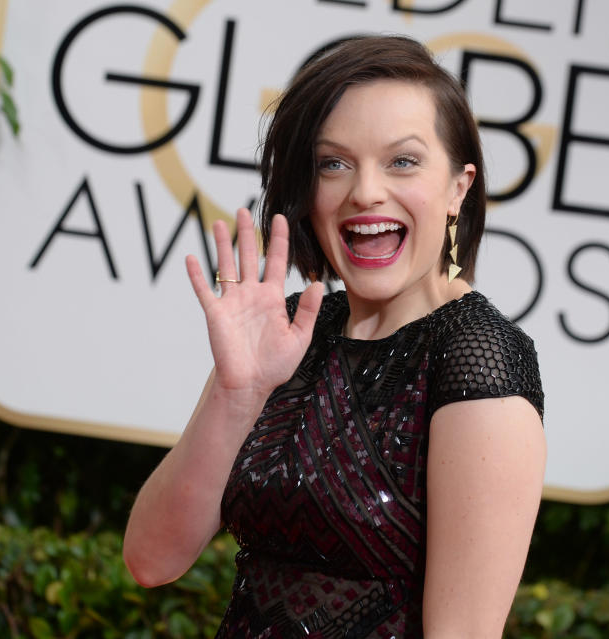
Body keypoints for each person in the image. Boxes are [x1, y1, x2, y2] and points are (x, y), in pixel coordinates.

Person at [123, 35, 546, 638]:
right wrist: (237, 395)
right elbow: (151, 559)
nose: (364, 191)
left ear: (458, 188)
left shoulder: (477, 360)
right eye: (334, 163)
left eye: (402, 161)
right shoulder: (293, 328)